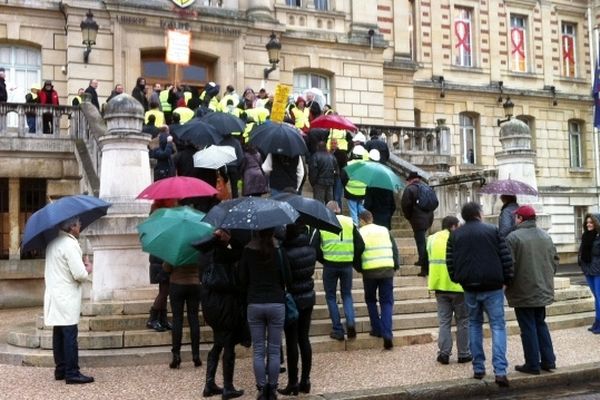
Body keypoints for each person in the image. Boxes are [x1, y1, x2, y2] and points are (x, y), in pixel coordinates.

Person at [446, 202, 514, 387]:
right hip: (492, 286)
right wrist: (507, 280)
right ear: (478, 214)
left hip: (469, 287)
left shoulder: (455, 235)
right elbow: (505, 257)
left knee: (475, 326)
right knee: (498, 327)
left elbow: (450, 261)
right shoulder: (492, 230)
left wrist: (458, 279)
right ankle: (500, 371)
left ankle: (478, 368)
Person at [505, 205, 558, 375]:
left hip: (523, 290)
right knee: (540, 324)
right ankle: (549, 360)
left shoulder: (513, 237)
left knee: (528, 327)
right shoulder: (545, 236)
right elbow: (554, 261)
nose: (514, 219)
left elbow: (509, 266)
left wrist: (507, 284)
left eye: (516, 217)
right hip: (542, 288)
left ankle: (532, 364)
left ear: (520, 219)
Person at [239, 228, 291, 400]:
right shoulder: (279, 250)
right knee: (275, 350)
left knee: (258, 350)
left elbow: (242, 278)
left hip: (254, 302)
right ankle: (273, 389)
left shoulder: (248, 250)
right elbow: (287, 278)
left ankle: (261, 388)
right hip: (276, 302)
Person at [44, 217, 94, 384]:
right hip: (67, 296)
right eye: (79, 224)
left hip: (54, 295)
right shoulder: (70, 244)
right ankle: (72, 373)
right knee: (69, 334)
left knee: (58, 333)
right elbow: (79, 274)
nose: (80, 227)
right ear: (72, 227)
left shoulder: (53, 243)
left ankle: (61, 369)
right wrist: (88, 269)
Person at [199, 229, 247, 399]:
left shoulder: (204, 256)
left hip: (209, 304)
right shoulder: (225, 255)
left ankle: (209, 383)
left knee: (218, 342)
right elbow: (242, 251)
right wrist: (232, 239)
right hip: (224, 304)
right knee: (228, 345)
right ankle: (228, 387)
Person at [313, 201, 364, 341]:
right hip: (346, 265)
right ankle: (351, 322)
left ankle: (338, 330)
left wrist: (323, 259)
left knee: (330, 297)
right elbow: (360, 244)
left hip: (330, 264)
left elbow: (314, 246)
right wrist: (352, 258)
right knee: (347, 294)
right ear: (339, 209)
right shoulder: (349, 222)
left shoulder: (322, 223)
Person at [278, 222, 317, 396]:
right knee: (304, 339)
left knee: (291, 341)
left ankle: (293, 382)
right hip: (308, 296)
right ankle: (305, 380)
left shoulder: (285, 251)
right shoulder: (310, 248)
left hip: (292, 299)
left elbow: (286, 277)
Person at [427, 215, 471, 365]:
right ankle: (464, 354)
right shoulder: (460, 238)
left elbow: (429, 256)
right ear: (453, 226)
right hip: (459, 287)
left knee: (444, 321)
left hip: (439, 285)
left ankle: (444, 353)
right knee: (463, 321)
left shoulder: (431, 239)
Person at [357, 210, 400, 350]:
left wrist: (359, 268)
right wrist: (395, 265)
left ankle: (376, 329)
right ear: (372, 218)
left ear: (362, 220)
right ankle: (387, 333)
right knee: (387, 302)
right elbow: (394, 249)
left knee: (370, 300)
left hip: (369, 271)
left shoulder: (360, 232)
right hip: (387, 269)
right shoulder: (384, 230)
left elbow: (357, 251)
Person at [163, 257, 202, 369]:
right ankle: (196, 355)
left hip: (177, 284)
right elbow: (202, 264)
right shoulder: (196, 249)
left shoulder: (176, 249)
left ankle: (176, 355)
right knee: (194, 318)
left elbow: (166, 267)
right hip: (194, 284)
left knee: (177, 319)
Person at [145, 199, 177, 333]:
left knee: (164, 290)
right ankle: (152, 318)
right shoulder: (159, 218)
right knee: (164, 291)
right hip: (160, 259)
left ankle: (162, 318)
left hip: (160, 258)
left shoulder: (157, 217)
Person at [401, 171, 434, 276]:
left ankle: (425, 269)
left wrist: (409, 216)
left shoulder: (410, 189)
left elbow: (405, 205)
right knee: (422, 241)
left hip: (417, 219)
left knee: (421, 243)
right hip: (428, 218)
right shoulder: (427, 188)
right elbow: (435, 203)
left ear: (410, 180)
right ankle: (421, 260)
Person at [578, 213, 600, 334]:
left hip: (598, 271)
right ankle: (597, 322)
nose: (589, 224)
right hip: (588, 270)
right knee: (596, 297)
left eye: (591, 222)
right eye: (587, 222)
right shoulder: (586, 235)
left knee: (599, 297)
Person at [363, 150, 396, 230]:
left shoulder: (371, 184)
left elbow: (368, 203)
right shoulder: (388, 184)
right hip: (386, 218)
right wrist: (389, 214)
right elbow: (393, 205)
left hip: (375, 218)